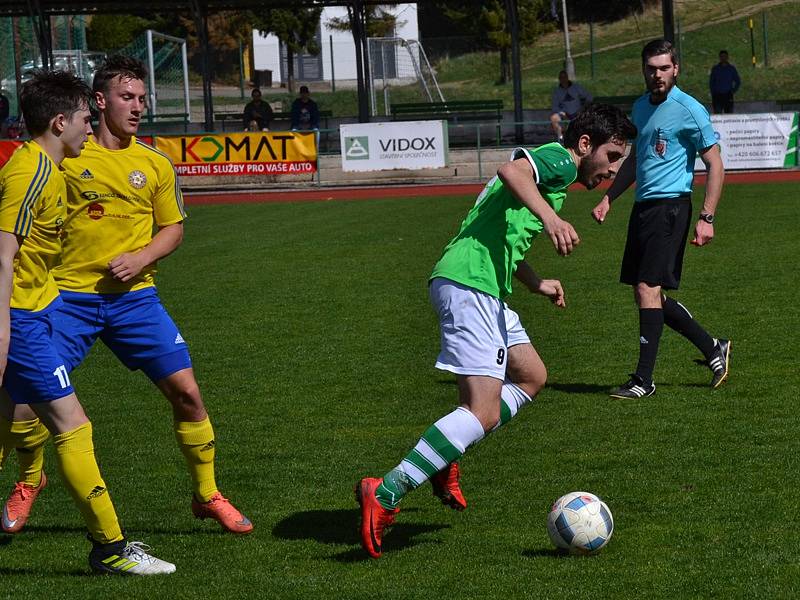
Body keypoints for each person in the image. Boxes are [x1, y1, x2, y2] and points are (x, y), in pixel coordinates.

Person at [356, 103, 637, 559]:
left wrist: (536, 282)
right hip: (470, 286)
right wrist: (551, 218)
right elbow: (511, 171)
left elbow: (502, 232)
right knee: (482, 411)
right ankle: (387, 491)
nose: (614, 169)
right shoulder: (558, 160)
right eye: (612, 155)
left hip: (484, 287)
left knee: (531, 376)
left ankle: (444, 456)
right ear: (586, 145)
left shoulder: (555, 179)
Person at [1, 56, 253, 536]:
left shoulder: (154, 161)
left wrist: (140, 258)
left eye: (142, 98)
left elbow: (173, 228)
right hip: (67, 299)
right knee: (24, 406)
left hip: (135, 300)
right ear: (99, 102)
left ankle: (207, 493)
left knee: (187, 394)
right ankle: (30, 480)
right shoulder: (68, 155)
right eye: (127, 97)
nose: (138, 106)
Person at [0, 70, 175, 575]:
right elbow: (4, 255)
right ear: (60, 122)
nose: (87, 127)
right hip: (19, 319)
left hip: (35, 310)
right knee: (72, 425)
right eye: (82, 118)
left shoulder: (49, 170)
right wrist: (6, 330)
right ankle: (111, 549)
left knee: (8, 424)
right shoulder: (29, 172)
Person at [591, 39, 730, 399]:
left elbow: (715, 164)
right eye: (651, 68)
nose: (657, 75)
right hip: (643, 209)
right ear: (644, 70)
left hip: (671, 208)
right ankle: (713, 346)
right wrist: (609, 198)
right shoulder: (639, 108)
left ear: (676, 69)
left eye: (664, 68)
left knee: (647, 289)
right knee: (648, 295)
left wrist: (707, 217)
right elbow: (635, 161)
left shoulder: (690, 109)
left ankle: (643, 380)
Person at [550, 70, 592, 143]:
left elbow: (589, 97)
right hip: (564, 115)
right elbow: (554, 107)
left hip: (578, 113)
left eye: (564, 77)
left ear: (567, 77)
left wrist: (583, 108)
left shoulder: (576, 87)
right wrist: (562, 113)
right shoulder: (557, 91)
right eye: (561, 77)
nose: (563, 79)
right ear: (559, 79)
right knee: (554, 118)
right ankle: (561, 138)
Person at [709, 50, 740, 114]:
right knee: (717, 115)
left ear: (727, 57)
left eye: (725, 56)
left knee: (729, 115)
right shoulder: (715, 69)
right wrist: (713, 92)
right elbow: (711, 82)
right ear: (719, 58)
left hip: (728, 95)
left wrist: (733, 91)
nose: (723, 58)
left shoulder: (731, 69)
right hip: (717, 95)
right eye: (722, 56)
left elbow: (738, 81)